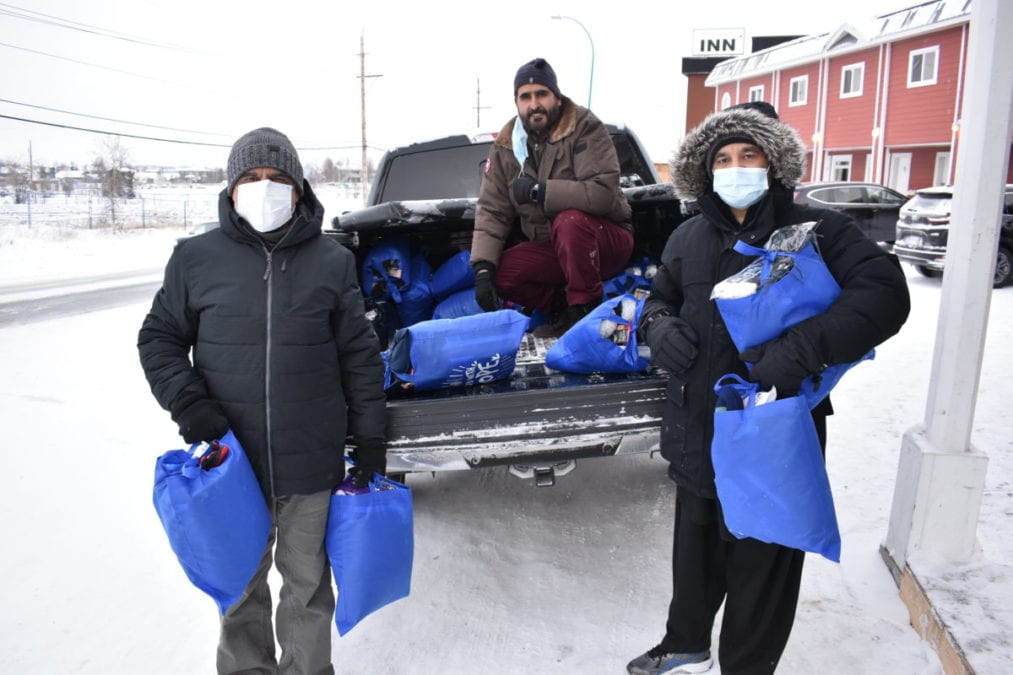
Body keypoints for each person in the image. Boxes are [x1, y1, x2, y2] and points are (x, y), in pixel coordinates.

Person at [627, 102, 910, 675]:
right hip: (696, 422)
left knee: (763, 561)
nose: (735, 168)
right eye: (723, 159)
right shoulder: (686, 237)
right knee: (696, 548)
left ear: (772, 162)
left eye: (747, 155)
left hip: (773, 427)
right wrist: (658, 325)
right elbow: (656, 295)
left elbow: (885, 294)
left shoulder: (818, 230)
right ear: (705, 172)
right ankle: (685, 641)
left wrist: (800, 351)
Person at [138, 127, 387, 674]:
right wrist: (189, 404)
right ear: (231, 189)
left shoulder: (331, 260)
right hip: (231, 465)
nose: (264, 187)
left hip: (311, 462)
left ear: (298, 189)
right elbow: (158, 338)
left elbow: (359, 357)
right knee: (239, 594)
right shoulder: (195, 259)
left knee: (307, 591)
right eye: (251, 177)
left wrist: (370, 437)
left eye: (277, 178)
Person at [470, 57, 634, 338]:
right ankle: (562, 309)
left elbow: (603, 193)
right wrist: (483, 268)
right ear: (516, 102)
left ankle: (585, 310)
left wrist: (540, 191)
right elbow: (492, 209)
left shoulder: (584, 126)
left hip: (605, 241)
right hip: (556, 250)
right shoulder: (506, 146)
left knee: (569, 221)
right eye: (526, 97)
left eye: (541, 94)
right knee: (503, 273)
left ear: (557, 98)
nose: (534, 104)